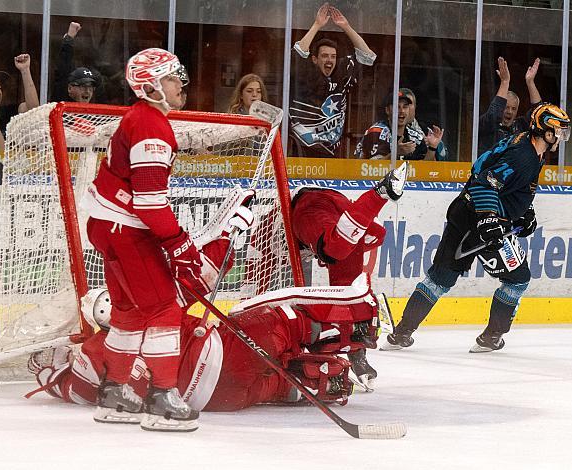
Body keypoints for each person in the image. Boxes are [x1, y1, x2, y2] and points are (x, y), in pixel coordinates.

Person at [79, 47, 253, 432]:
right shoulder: (151, 126)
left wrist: (173, 241)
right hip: (125, 228)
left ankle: (115, 392)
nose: (181, 85)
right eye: (173, 78)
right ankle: (161, 397)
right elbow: (150, 200)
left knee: (128, 312)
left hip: (107, 225)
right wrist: (179, 244)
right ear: (152, 85)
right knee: (164, 310)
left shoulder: (139, 119)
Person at [28, 280, 385, 413]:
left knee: (275, 384)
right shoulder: (149, 302)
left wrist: (50, 371)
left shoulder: (96, 351)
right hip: (225, 350)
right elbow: (190, 282)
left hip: (217, 400)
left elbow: (77, 391)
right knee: (281, 323)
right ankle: (353, 326)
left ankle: (326, 383)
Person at [382, 103, 570, 353]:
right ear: (545, 130)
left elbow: (500, 180)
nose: (561, 137)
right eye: (558, 131)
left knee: (440, 279)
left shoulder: (528, 144)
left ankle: (401, 333)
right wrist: (490, 218)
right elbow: (485, 183)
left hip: (464, 211)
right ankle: (491, 338)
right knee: (517, 281)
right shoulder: (524, 156)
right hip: (482, 221)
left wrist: (524, 211)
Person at [243, 163, 407, 389]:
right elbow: (252, 293)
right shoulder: (261, 247)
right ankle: (356, 353)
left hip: (307, 207)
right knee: (346, 292)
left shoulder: (273, 234)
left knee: (336, 251)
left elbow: (250, 297)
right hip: (335, 206)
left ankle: (379, 193)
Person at [289, 3, 376, 157]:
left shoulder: (341, 75)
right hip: (302, 154)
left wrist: (346, 27)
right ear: (314, 59)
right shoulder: (305, 75)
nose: (329, 60)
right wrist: (317, 25)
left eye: (333, 56)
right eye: (324, 56)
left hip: (333, 155)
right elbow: (298, 53)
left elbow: (368, 56)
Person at [355, 89, 443, 161]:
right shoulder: (376, 131)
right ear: (388, 110)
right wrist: (395, 153)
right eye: (397, 107)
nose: (402, 111)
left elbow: (423, 170)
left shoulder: (415, 136)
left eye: (405, 107)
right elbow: (374, 169)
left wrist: (432, 147)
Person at [478, 57, 543, 154]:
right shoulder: (487, 124)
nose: (509, 111)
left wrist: (530, 82)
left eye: (513, 109)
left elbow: (539, 113)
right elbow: (493, 116)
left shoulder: (520, 125)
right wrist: (504, 83)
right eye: (506, 107)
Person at [51, 22, 101, 103]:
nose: (87, 91)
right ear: (70, 88)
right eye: (83, 86)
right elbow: (63, 71)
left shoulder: (93, 113)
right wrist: (69, 39)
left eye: (90, 87)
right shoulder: (61, 104)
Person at [400, 87, 448, 161]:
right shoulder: (385, 129)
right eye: (399, 106)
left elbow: (440, 160)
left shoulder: (426, 130)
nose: (404, 109)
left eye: (408, 104)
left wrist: (432, 147)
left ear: (415, 107)